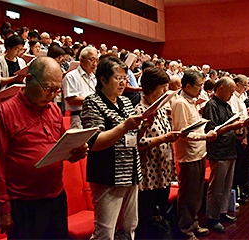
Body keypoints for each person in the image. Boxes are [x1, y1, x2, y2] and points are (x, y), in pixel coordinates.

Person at [0, 57, 88, 239]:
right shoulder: (5, 111)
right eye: (48, 88)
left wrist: (76, 153)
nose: (52, 94)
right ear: (29, 79)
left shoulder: (54, 110)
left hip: (55, 196)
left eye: (57, 90)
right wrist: (3, 207)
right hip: (24, 202)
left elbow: (60, 149)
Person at [80, 56, 153, 240]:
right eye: (117, 78)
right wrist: (124, 126)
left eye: (124, 78)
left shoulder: (125, 102)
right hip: (107, 174)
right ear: (102, 79)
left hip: (131, 172)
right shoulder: (92, 102)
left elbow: (133, 139)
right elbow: (95, 142)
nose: (122, 83)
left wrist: (143, 127)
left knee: (128, 227)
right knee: (105, 232)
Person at [135, 67, 181, 239]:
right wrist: (163, 139)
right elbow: (136, 142)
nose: (165, 91)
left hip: (164, 171)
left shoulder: (160, 108)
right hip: (149, 174)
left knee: (160, 214)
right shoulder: (140, 111)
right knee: (146, 217)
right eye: (163, 87)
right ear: (151, 88)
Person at [172, 70, 217, 240]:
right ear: (188, 86)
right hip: (189, 156)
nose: (201, 89)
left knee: (197, 195)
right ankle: (185, 229)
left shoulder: (191, 102)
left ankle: (194, 223)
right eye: (198, 86)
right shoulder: (181, 103)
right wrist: (206, 136)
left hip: (198, 153)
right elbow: (183, 133)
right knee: (188, 196)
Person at [203, 77, 244, 233]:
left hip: (230, 149)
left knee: (227, 185)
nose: (232, 94)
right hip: (218, 151)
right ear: (220, 88)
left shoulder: (226, 105)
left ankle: (223, 211)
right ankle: (212, 218)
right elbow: (213, 131)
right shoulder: (211, 106)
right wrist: (232, 126)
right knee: (217, 188)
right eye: (231, 90)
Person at [63, 46, 98, 129]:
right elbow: (71, 100)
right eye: (92, 60)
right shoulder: (72, 76)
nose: (95, 64)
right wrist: (94, 99)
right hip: (79, 117)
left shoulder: (93, 77)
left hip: (95, 117)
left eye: (96, 60)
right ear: (81, 60)